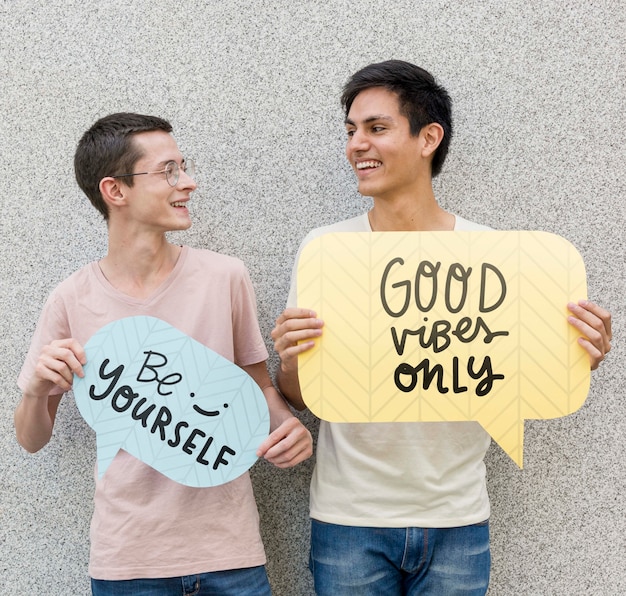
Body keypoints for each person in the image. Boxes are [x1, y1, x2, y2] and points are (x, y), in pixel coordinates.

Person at [271, 60, 612, 595]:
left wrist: (574, 355)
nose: (356, 145)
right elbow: (302, 395)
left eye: (376, 128)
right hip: (349, 517)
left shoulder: (495, 256)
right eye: (351, 131)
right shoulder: (325, 253)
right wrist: (292, 361)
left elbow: (516, 373)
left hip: (458, 516)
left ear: (429, 137)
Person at [14, 112, 313, 596]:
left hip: (229, 553)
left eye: (184, 167)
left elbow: (257, 386)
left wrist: (287, 428)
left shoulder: (226, 277)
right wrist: (33, 390)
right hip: (127, 561)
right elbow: (31, 439)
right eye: (169, 171)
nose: (188, 183)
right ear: (116, 191)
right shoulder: (70, 298)